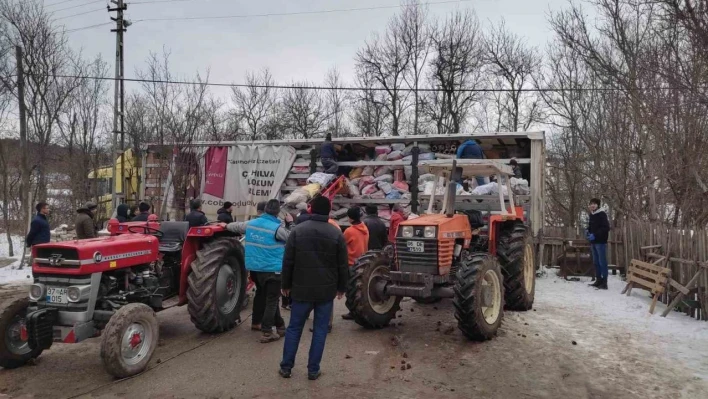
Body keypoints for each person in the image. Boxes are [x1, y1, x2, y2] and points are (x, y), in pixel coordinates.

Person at [279, 196, 348, 380]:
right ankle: (313, 370)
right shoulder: (336, 234)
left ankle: (286, 367)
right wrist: (342, 287)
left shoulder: (297, 231)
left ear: (311, 210)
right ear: (329, 211)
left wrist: (285, 285)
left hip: (301, 289)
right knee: (320, 330)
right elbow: (342, 264)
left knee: (294, 328)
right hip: (325, 291)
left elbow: (288, 261)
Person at [242, 199, 289, 343]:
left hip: (255, 270)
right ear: (278, 212)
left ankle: (268, 324)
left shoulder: (251, 224)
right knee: (272, 300)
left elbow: (235, 226)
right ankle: (267, 332)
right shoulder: (277, 229)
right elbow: (293, 238)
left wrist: (224, 225)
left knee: (264, 295)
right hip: (272, 270)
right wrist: (290, 224)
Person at [341, 207, 369, 321]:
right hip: (362, 261)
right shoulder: (365, 228)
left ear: (351, 218)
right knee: (359, 289)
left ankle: (352, 311)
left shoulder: (349, 231)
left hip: (352, 262)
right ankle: (356, 310)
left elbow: (342, 245)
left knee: (350, 289)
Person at [587, 198, 610, 290]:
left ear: (598, 205)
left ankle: (604, 282)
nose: (592, 205)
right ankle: (598, 280)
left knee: (602, 262)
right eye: (591, 204)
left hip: (600, 242)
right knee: (596, 262)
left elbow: (606, 228)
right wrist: (588, 231)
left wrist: (595, 235)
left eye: (594, 204)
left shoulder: (602, 214)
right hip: (593, 242)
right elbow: (591, 226)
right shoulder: (592, 215)